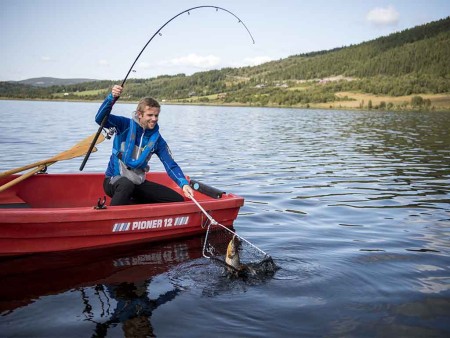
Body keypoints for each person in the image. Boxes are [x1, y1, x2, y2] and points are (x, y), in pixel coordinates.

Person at [95, 85, 194, 206]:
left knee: (176, 199)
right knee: (126, 185)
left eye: (156, 115)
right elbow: (99, 119)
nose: (154, 119)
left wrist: (183, 184)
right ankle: (111, 219)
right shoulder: (124, 125)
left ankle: (133, 207)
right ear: (139, 114)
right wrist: (112, 97)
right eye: (150, 115)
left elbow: (170, 165)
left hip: (137, 183)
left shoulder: (157, 140)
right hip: (114, 180)